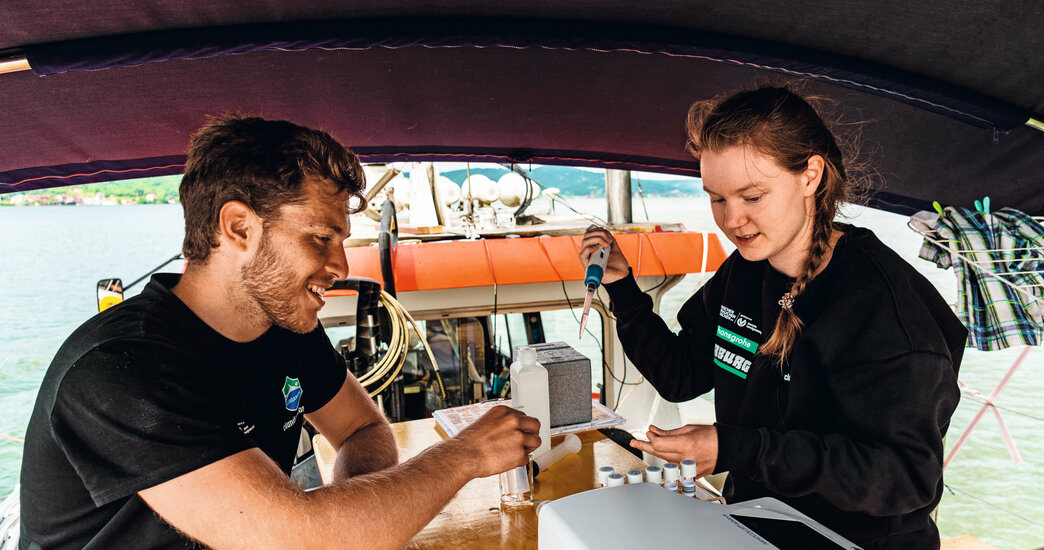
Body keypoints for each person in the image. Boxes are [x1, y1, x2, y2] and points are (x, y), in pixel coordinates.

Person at [20, 115, 540, 549]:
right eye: (320, 237)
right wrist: (464, 455)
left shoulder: (285, 326)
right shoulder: (121, 368)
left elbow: (362, 430)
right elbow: (298, 540)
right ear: (240, 228)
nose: (340, 264)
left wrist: (358, 521)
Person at [580, 86, 966, 550]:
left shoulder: (882, 306)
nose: (732, 220)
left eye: (752, 196)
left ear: (810, 175)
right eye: (717, 198)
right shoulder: (744, 271)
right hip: (755, 524)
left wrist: (735, 448)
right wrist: (623, 287)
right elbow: (680, 375)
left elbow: (905, 478)